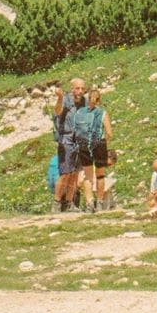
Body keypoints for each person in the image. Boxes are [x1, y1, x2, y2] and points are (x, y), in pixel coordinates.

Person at [51, 79, 92, 213]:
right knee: (65, 173)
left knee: (75, 173)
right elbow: (57, 111)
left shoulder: (85, 102)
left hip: (79, 139)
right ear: (72, 89)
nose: (80, 91)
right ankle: (56, 203)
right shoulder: (65, 99)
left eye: (82, 89)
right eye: (78, 88)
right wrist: (60, 97)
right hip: (66, 139)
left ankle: (69, 203)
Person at [80, 88, 113, 213]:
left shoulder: (81, 112)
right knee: (100, 175)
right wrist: (106, 141)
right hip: (99, 143)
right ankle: (99, 202)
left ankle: (89, 204)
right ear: (99, 99)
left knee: (88, 176)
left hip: (84, 144)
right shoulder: (103, 113)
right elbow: (109, 132)